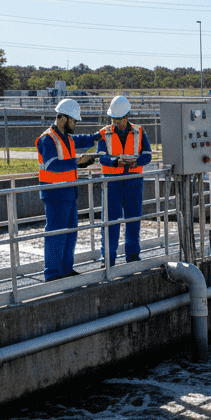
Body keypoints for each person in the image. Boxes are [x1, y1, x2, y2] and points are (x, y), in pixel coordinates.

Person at [36, 98, 100, 281]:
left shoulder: (67, 138)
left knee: (70, 232)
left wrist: (98, 136)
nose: (75, 124)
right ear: (63, 119)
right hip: (55, 193)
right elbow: (51, 165)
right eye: (74, 121)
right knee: (56, 233)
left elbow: (81, 141)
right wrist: (77, 162)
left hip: (69, 192)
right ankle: (52, 273)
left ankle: (65, 269)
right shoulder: (47, 139)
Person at [96, 95, 152, 265]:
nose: (116, 122)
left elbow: (148, 154)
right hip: (112, 182)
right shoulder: (104, 133)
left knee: (133, 220)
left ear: (126, 117)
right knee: (110, 223)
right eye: (113, 119)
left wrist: (137, 161)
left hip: (134, 181)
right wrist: (115, 162)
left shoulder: (139, 131)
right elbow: (101, 156)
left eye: (119, 119)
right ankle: (108, 259)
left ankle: (133, 256)